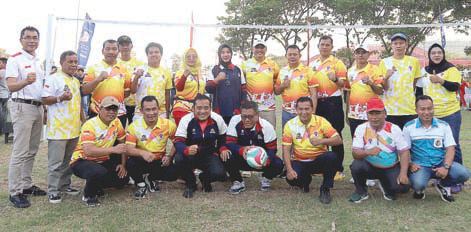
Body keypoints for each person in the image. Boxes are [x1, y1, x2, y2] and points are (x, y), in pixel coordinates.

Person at [6, 26, 47, 208]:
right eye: (28, 37)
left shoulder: (38, 61)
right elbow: (11, 87)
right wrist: (26, 81)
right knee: (20, 152)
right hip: (22, 106)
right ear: (21, 40)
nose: (32, 40)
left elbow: (40, 88)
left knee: (32, 150)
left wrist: (44, 108)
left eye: (35, 37)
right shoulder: (15, 60)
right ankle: (14, 192)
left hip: (37, 107)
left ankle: (26, 185)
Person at [417, 43, 464, 193]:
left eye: (439, 52)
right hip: (431, 115)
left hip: (450, 114)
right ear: (429, 56)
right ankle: (440, 175)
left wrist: (441, 81)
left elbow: (455, 87)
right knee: (437, 146)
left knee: (453, 145)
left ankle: (457, 180)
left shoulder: (451, 69)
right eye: (433, 53)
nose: (436, 55)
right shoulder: (424, 71)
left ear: (443, 54)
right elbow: (419, 92)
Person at [403, 95, 470, 202]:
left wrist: (446, 167)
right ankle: (419, 190)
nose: (427, 112)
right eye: (423, 109)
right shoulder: (409, 127)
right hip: (421, 166)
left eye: (429, 108)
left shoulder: (444, 125)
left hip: (440, 163)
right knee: (418, 184)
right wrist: (411, 163)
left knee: (464, 174)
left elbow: (450, 148)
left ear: (433, 108)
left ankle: (443, 185)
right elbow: (404, 150)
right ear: (416, 110)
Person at [41, 51, 84, 203]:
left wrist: (83, 121)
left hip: (73, 128)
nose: (73, 64)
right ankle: (53, 190)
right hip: (58, 129)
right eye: (70, 61)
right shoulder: (53, 79)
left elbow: (78, 105)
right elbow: (44, 99)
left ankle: (65, 185)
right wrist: (60, 98)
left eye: (75, 61)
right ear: (61, 63)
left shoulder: (76, 81)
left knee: (68, 160)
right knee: (56, 162)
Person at [282, 97, 342, 204]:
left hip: (318, 160)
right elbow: (286, 149)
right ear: (296, 109)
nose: (304, 112)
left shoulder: (321, 121)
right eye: (300, 109)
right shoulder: (290, 125)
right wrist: (289, 169)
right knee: (291, 179)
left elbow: (338, 140)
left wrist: (321, 141)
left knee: (332, 157)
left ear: (312, 109)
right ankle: (305, 182)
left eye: (307, 109)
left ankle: (325, 189)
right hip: (300, 161)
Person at [349, 98, 410, 203]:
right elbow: (355, 153)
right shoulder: (361, 129)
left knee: (403, 188)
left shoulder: (394, 129)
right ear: (367, 115)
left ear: (385, 114)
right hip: (369, 166)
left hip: (390, 167)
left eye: (377, 113)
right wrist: (367, 152)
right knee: (356, 165)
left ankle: (386, 185)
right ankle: (361, 191)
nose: (374, 117)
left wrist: (403, 173)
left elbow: (404, 152)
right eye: (371, 114)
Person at [70, 96, 127, 207]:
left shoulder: (117, 122)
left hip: (103, 159)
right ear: (99, 109)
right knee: (98, 172)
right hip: (81, 160)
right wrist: (113, 149)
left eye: (114, 109)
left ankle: (97, 186)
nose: (111, 112)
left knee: (122, 179)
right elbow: (88, 151)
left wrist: (123, 164)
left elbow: (123, 145)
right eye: (108, 109)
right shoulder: (90, 125)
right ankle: (89, 196)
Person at [309, 35, 347, 182]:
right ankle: (323, 167)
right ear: (318, 46)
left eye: (327, 45)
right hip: (318, 103)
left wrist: (335, 79)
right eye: (322, 44)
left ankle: (338, 169)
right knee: (320, 134)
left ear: (332, 47)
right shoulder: (313, 64)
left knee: (336, 135)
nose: (324, 47)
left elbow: (343, 84)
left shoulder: (338, 63)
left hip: (333, 103)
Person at [174, 94, 227, 198]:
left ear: (210, 108)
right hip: (191, 155)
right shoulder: (186, 119)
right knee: (179, 158)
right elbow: (178, 141)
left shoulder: (217, 119)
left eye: (206, 108)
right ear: (193, 108)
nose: (202, 111)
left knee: (220, 174)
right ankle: (191, 184)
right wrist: (186, 149)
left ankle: (204, 179)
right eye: (199, 108)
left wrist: (222, 148)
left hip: (209, 154)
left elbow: (223, 138)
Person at [125, 96, 178, 199]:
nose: (151, 113)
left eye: (154, 109)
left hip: (158, 160)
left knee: (173, 173)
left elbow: (178, 142)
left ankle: (151, 178)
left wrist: (169, 156)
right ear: (141, 111)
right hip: (141, 160)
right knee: (130, 163)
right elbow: (128, 149)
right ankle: (141, 184)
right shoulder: (134, 126)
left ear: (158, 109)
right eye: (147, 110)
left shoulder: (168, 124)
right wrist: (143, 153)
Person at [224, 101, 283, 194]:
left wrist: (266, 160)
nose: (247, 120)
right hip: (242, 158)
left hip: (260, 161)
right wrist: (241, 150)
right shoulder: (235, 121)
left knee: (278, 163)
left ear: (258, 114)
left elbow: (272, 148)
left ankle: (266, 178)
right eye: (244, 116)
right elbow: (230, 143)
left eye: (251, 116)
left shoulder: (267, 126)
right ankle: (237, 181)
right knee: (226, 155)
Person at [81, 39, 132, 127]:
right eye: (108, 49)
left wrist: (113, 101)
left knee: (119, 140)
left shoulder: (124, 69)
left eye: (114, 49)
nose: (111, 52)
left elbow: (126, 92)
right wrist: (97, 80)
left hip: (118, 114)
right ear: (102, 51)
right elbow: (84, 91)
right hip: (97, 112)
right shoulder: (93, 68)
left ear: (118, 51)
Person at [379, 33, 421, 129]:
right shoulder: (384, 62)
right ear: (391, 46)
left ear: (406, 45)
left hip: (409, 109)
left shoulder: (414, 61)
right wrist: (386, 77)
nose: (398, 46)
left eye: (401, 43)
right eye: (395, 43)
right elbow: (384, 88)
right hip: (390, 110)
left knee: (409, 141)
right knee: (391, 142)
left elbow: (414, 84)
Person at [275, 44, 318, 129]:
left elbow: (314, 94)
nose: (292, 57)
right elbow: (276, 92)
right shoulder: (283, 71)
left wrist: (312, 112)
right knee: (287, 138)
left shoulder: (308, 71)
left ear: (300, 56)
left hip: (304, 112)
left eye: (295, 54)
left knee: (304, 138)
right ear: (286, 56)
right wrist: (282, 85)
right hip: (286, 112)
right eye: (290, 54)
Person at [345, 45, 384, 137]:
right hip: (354, 114)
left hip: (370, 114)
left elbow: (380, 91)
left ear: (368, 54)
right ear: (354, 55)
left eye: (363, 53)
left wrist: (370, 83)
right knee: (356, 142)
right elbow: (348, 92)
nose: (360, 55)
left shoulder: (374, 69)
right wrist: (347, 113)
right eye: (358, 53)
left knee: (371, 141)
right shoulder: (350, 71)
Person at [240, 39, 279, 128]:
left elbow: (276, 83)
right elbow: (242, 84)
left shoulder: (273, 65)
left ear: (266, 49)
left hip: (269, 108)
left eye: (262, 47)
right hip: (251, 109)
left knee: (270, 135)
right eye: (257, 47)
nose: (259, 50)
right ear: (252, 49)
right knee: (251, 135)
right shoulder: (245, 64)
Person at [206, 44, 247, 125]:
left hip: (235, 110)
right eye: (223, 52)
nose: (225, 55)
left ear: (231, 54)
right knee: (222, 135)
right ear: (219, 54)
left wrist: (243, 105)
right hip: (219, 110)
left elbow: (244, 89)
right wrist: (216, 80)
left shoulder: (237, 70)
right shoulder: (213, 70)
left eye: (228, 52)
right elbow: (209, 89)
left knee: (235, 135)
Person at [131, 42, 172, 120]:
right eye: (151, 53)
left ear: (161, 54)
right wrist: (136, 77)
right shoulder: (140, 70)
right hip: (141, 113)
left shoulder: (166, 73)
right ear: (147, 55)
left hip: (160, 113)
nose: (154, 54)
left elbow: (167, 95)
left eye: (156, 52)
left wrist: (167, 112)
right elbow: (133, 91)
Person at [117, 35, 145, 127]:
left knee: (136, 132)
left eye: (127, 45)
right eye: (122, 45)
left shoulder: (141, 63)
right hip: (120, 104)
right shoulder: (115, 63)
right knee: (119, 131)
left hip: (136, 105)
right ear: (118, 47)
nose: (125, 47)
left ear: (131, 46)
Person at [173, 48, 205, 125]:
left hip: (198, 108)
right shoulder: (180, 72)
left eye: (194, 56)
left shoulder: (200, 74)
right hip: (182, 108)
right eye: (188, 56)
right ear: (184, 58)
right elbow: (179, 88)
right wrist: (184, 76)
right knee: (184, 134)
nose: (191, 59)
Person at [0, 57, 8, 135]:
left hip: (1, 95)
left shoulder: (2, 71)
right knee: (4, 113)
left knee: (2, 114)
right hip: (6, 95)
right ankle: (4, 129)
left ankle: (1, 130)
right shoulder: (9, 72)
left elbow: (1, 76)